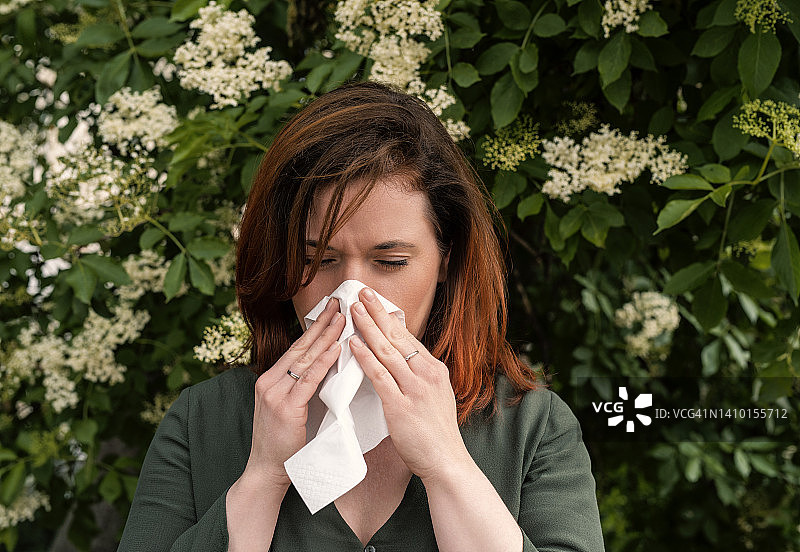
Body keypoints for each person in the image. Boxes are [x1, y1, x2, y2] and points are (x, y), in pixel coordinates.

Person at [117, 80, 605, 552]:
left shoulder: (531, 428)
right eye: (318, 261)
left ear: (446, 261)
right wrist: (265, 476)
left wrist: (445, 464)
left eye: (390, 263)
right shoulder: (204, 421)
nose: (351, 295)